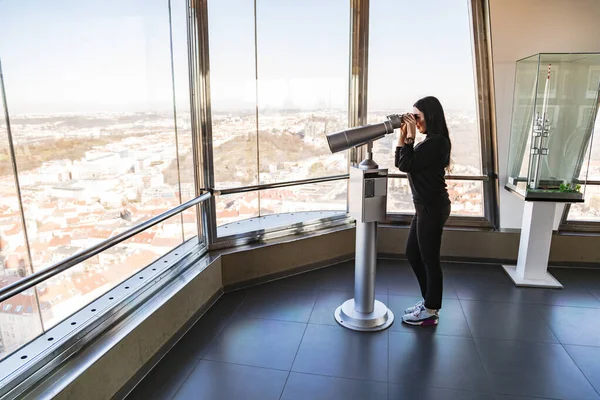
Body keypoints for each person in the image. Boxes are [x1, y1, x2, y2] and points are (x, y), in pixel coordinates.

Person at [394, 96, 452, 326]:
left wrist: (409, 137)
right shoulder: (428, 141)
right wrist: (403, 135)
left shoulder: (437, 141)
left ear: (431, 115)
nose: (415, 121)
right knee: (413, 253)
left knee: (429, 259)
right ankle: (428, 301)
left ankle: (431, 309)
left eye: (417, 116)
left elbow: (407, 164)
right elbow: (401, 163)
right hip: (425, 207)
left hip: (432, 207)